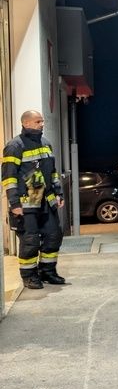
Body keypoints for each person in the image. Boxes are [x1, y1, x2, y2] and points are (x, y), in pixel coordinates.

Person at [2, 110, 65, 289]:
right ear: (26, 123)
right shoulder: (14, 146)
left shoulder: (46, 143)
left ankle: (48, 272)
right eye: (38, 121)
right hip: (26, 202)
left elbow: (52, 172)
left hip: (47, 200)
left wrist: (59, 193)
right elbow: (9, 177)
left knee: (53, 236)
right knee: (30, 240)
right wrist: (14, 203)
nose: (42, 124)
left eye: (42, 121)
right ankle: (29, 276)